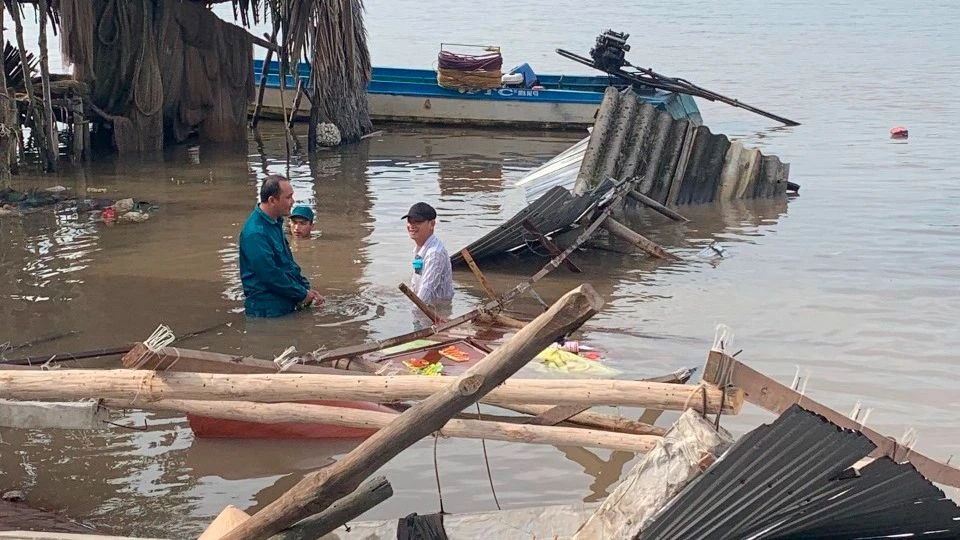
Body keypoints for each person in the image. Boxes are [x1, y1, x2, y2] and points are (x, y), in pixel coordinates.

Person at [238, 175, 323, 317]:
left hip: (284, 305)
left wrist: (307, 290)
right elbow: (270, 275)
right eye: (288, 197)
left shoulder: (275, 222)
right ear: (272, 200)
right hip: (267, 311)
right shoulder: (255, 233)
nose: (292, 202)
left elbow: (288, 264)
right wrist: (302, 293)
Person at [403, 202, 454, 309]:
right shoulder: (420, 248)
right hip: (427, 306)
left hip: (437, 311)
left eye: (418, 222)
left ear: (432, 224)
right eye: (410, 221)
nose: (412, 226)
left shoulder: (434, 253)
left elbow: (424, 295)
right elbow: (416, 286)